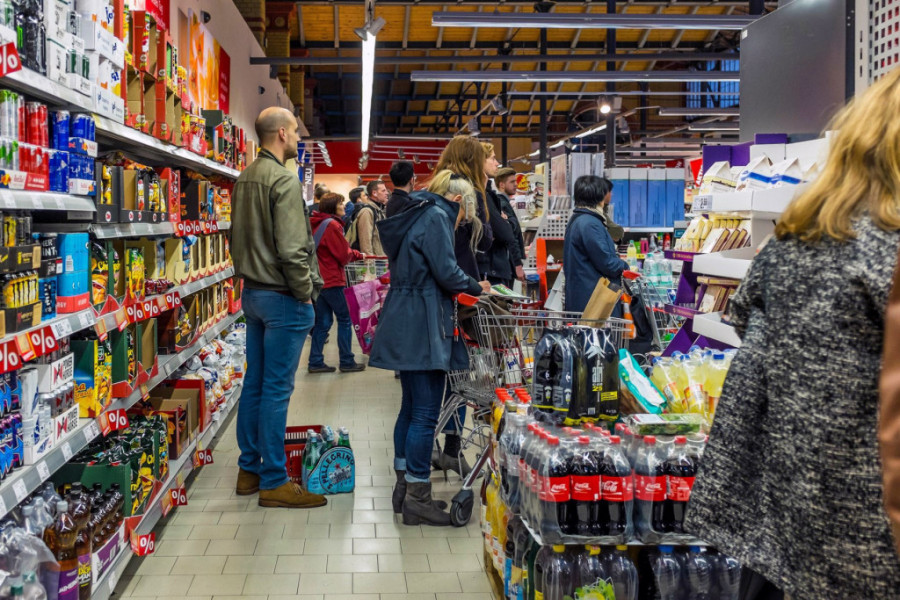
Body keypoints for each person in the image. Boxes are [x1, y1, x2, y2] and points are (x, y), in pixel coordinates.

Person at [685, 68, 900, 600]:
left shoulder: (794, 238)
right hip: (870, 530)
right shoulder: (887, 251)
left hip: (791, 513)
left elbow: (742, 317)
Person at [369, 170, 490, 526]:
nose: (462, 221)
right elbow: (447, 272)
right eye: (464, 214)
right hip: (424, 320)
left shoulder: (414, 212)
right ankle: (418, 497)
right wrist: (478, 286)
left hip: (403, 314)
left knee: (410, 408)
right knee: (425, 413)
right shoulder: (437, 216)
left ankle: (404, 487)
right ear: (458, 201)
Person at [230, 107, 326, 509]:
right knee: (275, 390)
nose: (298, 140)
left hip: (252, 293)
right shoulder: (284, 180)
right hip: (283, 296)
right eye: (296, 133)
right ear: (283, 134)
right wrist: (305, 293)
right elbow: (292, 248)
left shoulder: (245, 177)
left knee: (254, 384)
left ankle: (248, 470)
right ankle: (273, 480)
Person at [430, 136, 494, 477]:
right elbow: (481, 242)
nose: (489, 164)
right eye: (484, 158)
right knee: (459, 376)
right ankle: (450, 449)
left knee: (443, 377)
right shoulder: (463, 191)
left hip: (444, 294)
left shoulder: (438, 186)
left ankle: (433, 446)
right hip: (461, 294)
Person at [307, 192, 366, 374]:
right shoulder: (332, 225)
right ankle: (347, 361)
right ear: (333, 207)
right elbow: (343, 254)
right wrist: (359, 255)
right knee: (345, 318)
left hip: (319, 279)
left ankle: (315, 361)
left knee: (323, 322)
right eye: (340, 204)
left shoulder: (315, 223)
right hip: (332, 279)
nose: (343, 206)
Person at [563, 175, 628, 314]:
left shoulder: (579, 219)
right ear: (598, 196)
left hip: (582, 295)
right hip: (594, 301)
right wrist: (625, 266)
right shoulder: (590, 224)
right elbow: (607, 263)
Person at [433, 137, 493, 281]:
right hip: (462, 272)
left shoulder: (436, 186)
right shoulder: (469, 193)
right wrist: (482, 192)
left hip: (437, 270)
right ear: (473, 161)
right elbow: (484, 241)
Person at [478, 143, 522, 287]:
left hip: (493, 269)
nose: (497, 163)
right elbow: (506, 234)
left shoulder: (489, 196)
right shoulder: (484, 196)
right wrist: (507, 223)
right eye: (492, 158)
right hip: (491, 271)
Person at [495, 167, 527, 282]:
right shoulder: (502, 204)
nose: (516, 184)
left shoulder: (503, 202)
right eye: (512, 182)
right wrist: (517, 264)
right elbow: (510, 237)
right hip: (507, 264)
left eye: (515, 181)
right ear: (502, 185)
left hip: (506, 263)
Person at [351, 180, 387, 256]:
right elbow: (365, 242)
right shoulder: (367, 212)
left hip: (380, 258)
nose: (386, 193)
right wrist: (369, 261)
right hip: (374, 260)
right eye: (383, 191)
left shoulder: (378, 210)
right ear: (374, 193)